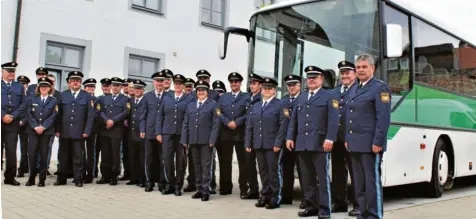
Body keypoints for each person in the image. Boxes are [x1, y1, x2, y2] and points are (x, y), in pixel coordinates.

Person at [286, 65, 339, 218]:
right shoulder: (301, 97)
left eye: (314, 77)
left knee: (322, 178)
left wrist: (330, 138)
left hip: (320, 143)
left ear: (321, 79)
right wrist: (290, 137)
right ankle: (310, 206)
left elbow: (333, 120)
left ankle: (324, 210)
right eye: (309, 78)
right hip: (302, 143)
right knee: (307, 178)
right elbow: (294, 120)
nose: (311, 80)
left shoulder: (329, 96)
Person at [346, 54, 391, 219]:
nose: (361, 70)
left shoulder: (380, 88)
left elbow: (383, 118)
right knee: (359, 183)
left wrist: (378, 141)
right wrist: (347, 139)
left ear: (372, 68)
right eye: (358, 67)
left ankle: (374, 215)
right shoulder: (354, 88)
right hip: (355, 144)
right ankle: (363, 213)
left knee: (372, 182)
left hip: (370, 145)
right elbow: (348, 116)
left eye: (364, 67)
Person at [245, 77, 287, 209]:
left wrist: (278, 143)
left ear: (274, 90)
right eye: (265, 88)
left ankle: (275, 197)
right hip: (259, 143)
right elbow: (250, 126)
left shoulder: (280, 105)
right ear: (262, 90)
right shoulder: (256, 106)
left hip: (272, 145)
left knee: (273, 171)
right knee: (262, 171)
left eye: (270, 88)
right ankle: (265, 195)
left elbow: (283, 126)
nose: (267, 90)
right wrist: (248, 143)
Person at [181, 80, 219, 202]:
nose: (201, 92)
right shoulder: (191, 105)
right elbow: (186, 123)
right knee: (196, 166)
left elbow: (216, 124)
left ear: (207, 92)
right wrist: (184, 139)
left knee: (206, 166)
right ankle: (199, 189)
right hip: (193, 140)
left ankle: (206, 190)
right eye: (199, 90)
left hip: (206, 141)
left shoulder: (213, 105)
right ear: (196, 92)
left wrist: (213, 139)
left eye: (203, 90)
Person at [54, 71, 95, 187]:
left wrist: (87, 131)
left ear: (81, 83)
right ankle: (61, 179)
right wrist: (57, 129)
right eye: (73, 80)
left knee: (78, 157)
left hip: (79, 132)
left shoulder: (86, 96)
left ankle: (78, 179)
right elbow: (58, 114)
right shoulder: (63, 95)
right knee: (63, 156)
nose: (75, 82)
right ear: (69, 83)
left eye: (78, 80)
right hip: (64, 131)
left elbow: (90, 116)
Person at [156, 74, 194, 196]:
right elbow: (160, 116)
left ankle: (178, 185)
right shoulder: (167, 98)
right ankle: (169, 184)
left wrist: (187, 136)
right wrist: (158, 132)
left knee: (181, 161)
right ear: (173, 85)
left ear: (183, 86)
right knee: (167, 159)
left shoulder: (189, 99)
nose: (177, 86)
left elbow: (190, 118)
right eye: (176, 84)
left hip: (182, 134)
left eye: (180, 84)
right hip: (167, 133)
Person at [331, 61, 360, 216]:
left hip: (352, 138)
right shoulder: (334, 92)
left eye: (348, 72)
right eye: (342, 73)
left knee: (356, 172)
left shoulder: (359, 90)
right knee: (337, 172)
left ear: (354, 74)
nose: (344, 75)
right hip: (336, 139)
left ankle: (358, 205)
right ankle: (339, 203)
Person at [216, 72, 249, 196]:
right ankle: (225, 187)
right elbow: (218, 111)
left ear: (240, 83)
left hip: (240, 133)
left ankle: (244, 188)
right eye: (232, 81)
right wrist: (226, 121)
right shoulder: (223, 97)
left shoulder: (246, 97)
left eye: (236, 81)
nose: (234, 84)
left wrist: (237, 122)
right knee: (225, 161)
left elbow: (248, 112)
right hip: (226, 132)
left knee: (243, 162)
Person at [25, 77, 58, 187]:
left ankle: (42, 180)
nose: (44, 88)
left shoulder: (53, 101)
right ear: (39, 88)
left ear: (50, 88)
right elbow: (29, 114)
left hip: (46, 131)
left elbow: (53, 115)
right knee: (32, 154)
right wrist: (35, 127)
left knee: (44, 155)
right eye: (42, 86)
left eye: (46, 86)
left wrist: (43, 127)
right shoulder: (32, 99)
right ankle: (31, 178)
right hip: (33, 131)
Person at [97, 77, 130, 186]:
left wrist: (113, 120)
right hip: (105, 129)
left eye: (117, 86)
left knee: (115, 154)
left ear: (121, 87)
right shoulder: (105, 98)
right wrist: (106, 120)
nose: (115, 88)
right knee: (105, 153)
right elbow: (100, 111)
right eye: (113, 85)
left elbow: (126, 112)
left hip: (116, 130)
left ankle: (114, 176)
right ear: (110, 86)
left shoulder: (125, 99)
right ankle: (105, 175)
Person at [280, 75, 305, 208]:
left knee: (303, 170)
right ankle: (286, 196)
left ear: (300, 85)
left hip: (301, 140)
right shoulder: (283, 101)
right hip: (286, 141)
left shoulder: (305, 98)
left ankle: (306, 198)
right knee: (287, 169)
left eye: (294, 84)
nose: (291, 87)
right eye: (289, 85)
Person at [141, 71, 167, 192]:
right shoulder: (147, 96)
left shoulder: (168, 96)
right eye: (157, 81)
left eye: (161, 81)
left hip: (163, 132)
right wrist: (142, 129)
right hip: (149, 131)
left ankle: (162, 182)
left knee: (162, 158)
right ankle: (149, 181)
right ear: (153, 82)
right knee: (149, 158)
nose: (159, 83)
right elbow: (143, 115)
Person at [1, 61, 26, 186]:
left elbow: (24, 103)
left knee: (11, 151)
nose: (11, 73)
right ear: (2, 72)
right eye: (9, 71)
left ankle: (10, 177)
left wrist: (13, 116)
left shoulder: (19, 86)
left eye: (13, 71)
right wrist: (2, 115)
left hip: (12, 123)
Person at [242, 73, 263, 200]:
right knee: (249, 164)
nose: (252, 86)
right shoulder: (247, 98)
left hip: (260, 135)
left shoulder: (263, 97)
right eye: (251, 83)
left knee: (263, 165)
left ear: (260, 85)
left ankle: (267, 190)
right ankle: (253, 189)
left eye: (254, 83)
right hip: (248, 135)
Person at [126, 79, 146, 186]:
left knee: (141, 157)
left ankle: (142, 179)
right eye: (136, 88)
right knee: (132, 156)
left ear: (143, 90)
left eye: (139, 89)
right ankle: (133, 178)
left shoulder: (145, 100)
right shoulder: (130, 101)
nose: (137, 90)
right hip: (132, 133)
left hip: (141, 133)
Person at [94, 78, 112, 178]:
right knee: (95, 152)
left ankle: (107, 173)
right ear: (101, 87)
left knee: (107, 153)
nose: (106, 88)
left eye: (107, 86)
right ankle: (94, 171)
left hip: (109, 129)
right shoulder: (98, 99)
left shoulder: (114, 98)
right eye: (104, 86)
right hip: (98, 130)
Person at [82, 78, 99, 184]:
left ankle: (90, 174)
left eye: (93, 87)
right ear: (85, 88)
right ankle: (81, 172)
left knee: (91, 152)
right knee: (81, 153)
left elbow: (97, 115)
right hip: (81, 129)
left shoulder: (97, 100)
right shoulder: (81, 99)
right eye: (89, 87)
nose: (91, 88)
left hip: (92, 130)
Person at [183, 77, 196, 192]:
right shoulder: (179, 98)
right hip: (182, 132)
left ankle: (192, 182)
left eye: (190, 86)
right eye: (186, 86)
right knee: (182, 160)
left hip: (192, 133)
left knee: (193, 160)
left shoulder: (195, 99)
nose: (188, 88)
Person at [17, 75, 30, 177]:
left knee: (25, 149)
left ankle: (22, 169)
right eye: (20, 84)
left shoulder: (31, 96)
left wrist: (22, 121)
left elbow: (30, 112)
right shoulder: (14, 95)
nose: (22, 85)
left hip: (26, 126)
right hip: (14, 124)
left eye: (24, 84)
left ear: (27, 85)